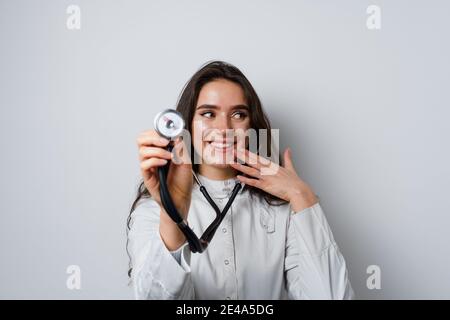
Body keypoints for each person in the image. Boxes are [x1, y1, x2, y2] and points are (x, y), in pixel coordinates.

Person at [127, 60, 354, 300]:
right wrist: (174, 215)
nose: (224, 128)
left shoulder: (283, 209)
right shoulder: (153, 209)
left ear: (251, 126)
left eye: (238, 114)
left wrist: (301, 195)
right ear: (186, 125)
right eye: (208, 113)